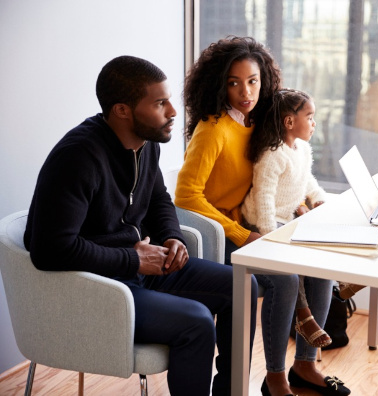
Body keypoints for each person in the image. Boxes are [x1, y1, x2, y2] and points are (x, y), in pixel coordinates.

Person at [24, 55, 258, 396]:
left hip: (140, 270)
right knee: (196, 322)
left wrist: (172, 236)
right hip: (97, 288)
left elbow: (158, 199)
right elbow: (49, 249)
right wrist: (132, 259)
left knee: (242, 287)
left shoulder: (145, 144)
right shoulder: (77, 158)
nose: (173, 112)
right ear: (122, 110)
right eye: (160, 104)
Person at [175, 37, 350, 396]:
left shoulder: (257, 124)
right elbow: (185, 195)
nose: (245, 91)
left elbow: (278, 170)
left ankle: (306, 364)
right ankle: (274, 378)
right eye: (234, 82)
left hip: (249, 225)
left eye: (252, 81)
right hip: (215, 235)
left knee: (318, 264)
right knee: (284, 279)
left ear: (264, 80)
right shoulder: (212, 130)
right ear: (218, 83)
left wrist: (304, 201)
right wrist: (241, 234)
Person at [241, 88, 332, 349]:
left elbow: (307, 181)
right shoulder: (272, 155)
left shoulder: (301, 149)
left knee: (321, 244)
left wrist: (319, 199)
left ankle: (347, 281)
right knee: (294, 260)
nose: (314, 123)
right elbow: (264, 199)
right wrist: (271, 236)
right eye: (310, 116)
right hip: (263, 222)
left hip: (287, 219)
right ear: (289, 122)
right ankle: (303, 315)